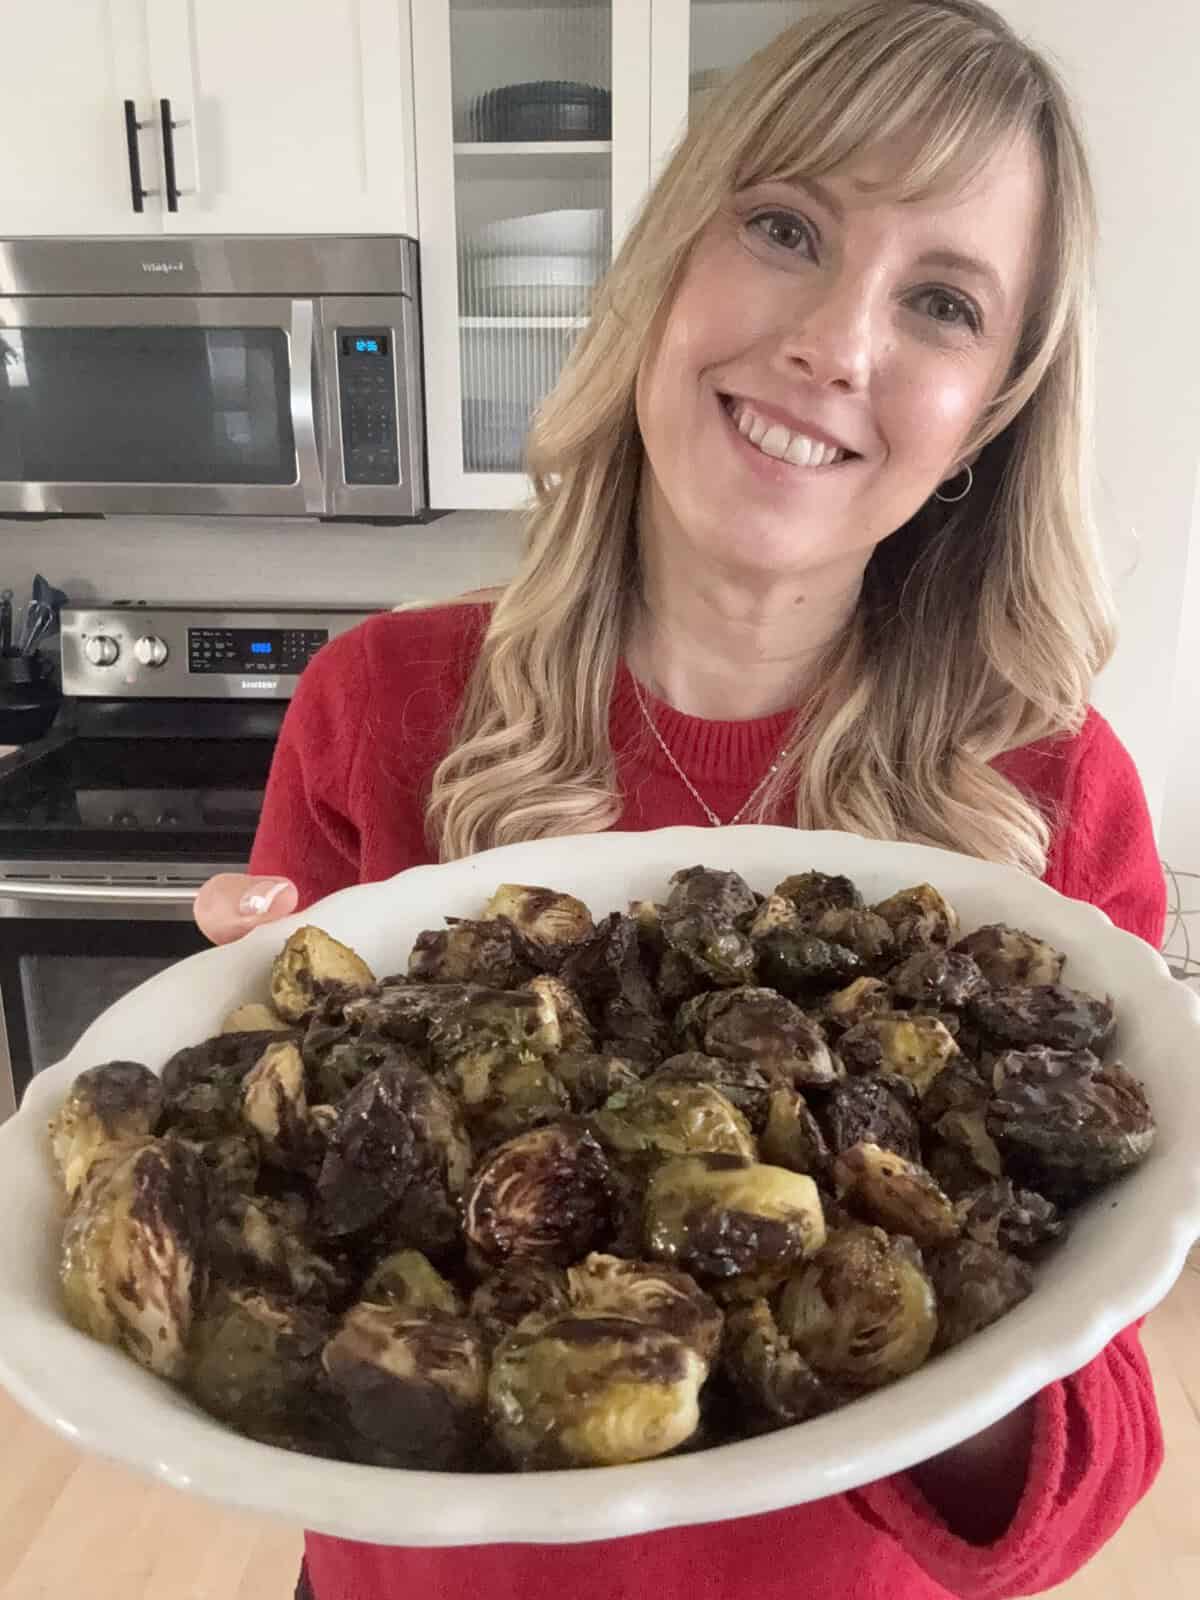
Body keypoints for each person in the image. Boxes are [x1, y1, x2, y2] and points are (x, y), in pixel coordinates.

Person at [195, 2, 1166, 1595]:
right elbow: (300, 1307)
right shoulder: (377, 707)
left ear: (987, 411)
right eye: (785, 226)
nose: (836, 344)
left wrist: (910, 1249)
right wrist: (228, 1080)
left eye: (940, 301)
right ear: (662, 267)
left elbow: (1075, 1490)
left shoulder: (1050, 798)